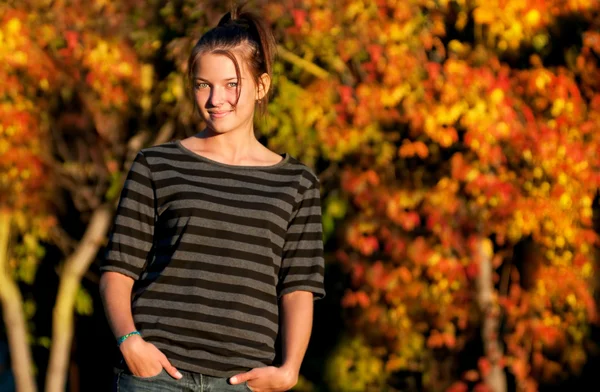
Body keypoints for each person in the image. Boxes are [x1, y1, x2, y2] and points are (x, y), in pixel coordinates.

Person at [99, 5, 325, 392]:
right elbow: (117, 272)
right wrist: (130, 342)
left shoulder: (297, 184)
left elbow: (298, 287)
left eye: (231, 84)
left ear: (262, 85)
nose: (215, 98)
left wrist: (290, 370)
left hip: (242, 383)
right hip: (156, 378)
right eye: (203, 84)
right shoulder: (156, 165)